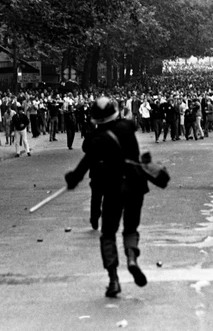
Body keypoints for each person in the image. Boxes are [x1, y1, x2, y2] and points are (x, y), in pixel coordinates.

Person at [65, 97, 150, 298]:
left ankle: (113, 278)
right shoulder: (128, 128)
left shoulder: (97, 139)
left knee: (108, 233)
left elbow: (86, 162)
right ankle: (131, 257)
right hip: (135, 185)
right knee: (130, 228)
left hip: (113, 188)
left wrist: (73, 178)